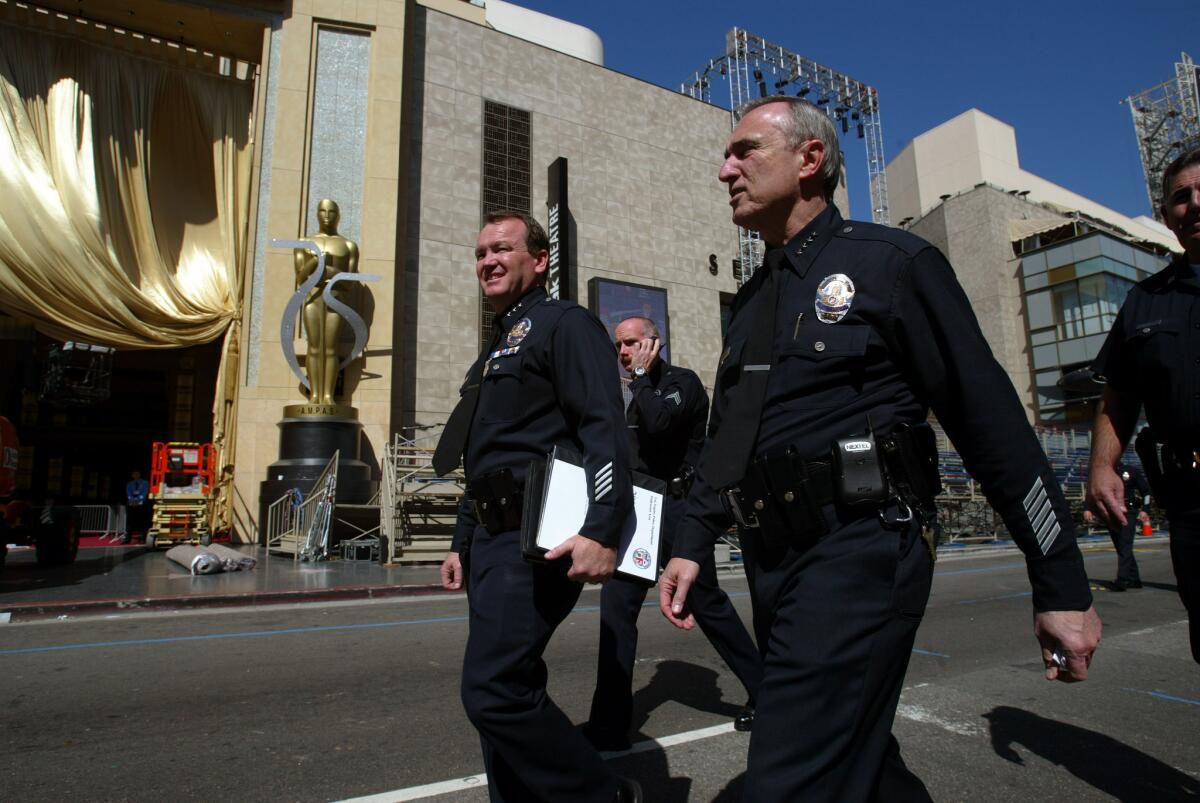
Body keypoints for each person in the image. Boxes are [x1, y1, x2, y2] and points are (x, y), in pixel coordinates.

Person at [657, 97, 1102, 801]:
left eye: (745, 151)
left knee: (788, 774)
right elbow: (730, 437)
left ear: (810, 159)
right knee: (861, 763)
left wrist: (1060, 581)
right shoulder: (750, 304)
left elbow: (990, 423)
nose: (724, 170)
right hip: (775, 559)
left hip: (862, 549)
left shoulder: (892, 264)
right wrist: (689, 538)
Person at [433, 211, 642, 802]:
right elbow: (485, 456)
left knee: (492, 690)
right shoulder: (499, 344)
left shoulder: (565, 324)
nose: (488, 260)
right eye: (480, 253)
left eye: (502, 248)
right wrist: (461, 541)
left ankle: (602, 795)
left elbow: (604, 430)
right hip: (491, 541)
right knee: (513, 685)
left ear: (540, 259)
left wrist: (603, 527)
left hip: (536, 538)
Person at [582, 316, 762, 752]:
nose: (623, 352)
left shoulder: (682, 383)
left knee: (707, 603)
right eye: (619, 346)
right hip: (638, 513)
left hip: (680, 511)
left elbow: (661, 423)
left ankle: (769, 694)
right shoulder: (629, 395)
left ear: (654, 344)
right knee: (616, 613)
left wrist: (642, 379)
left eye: (631, 343)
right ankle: (609, 725)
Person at [1089, 146, 1200, 663]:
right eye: (1182, 197)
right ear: (1167, 216)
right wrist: (1102, 465)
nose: (1194, 204)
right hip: (1192, 498)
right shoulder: (1146, 300)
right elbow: (1119, 394)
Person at [294, 199, 359, 405]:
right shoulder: (304, 242)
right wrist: (316, 260)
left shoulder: (348, 245)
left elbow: (349, 283)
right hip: (313, 299)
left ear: (338, 215)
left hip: (336, 300)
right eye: (322, 211)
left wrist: (328, 269)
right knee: (314, 347)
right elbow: (300, 278)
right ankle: (314, 395)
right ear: (317, 214)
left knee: (330, 348)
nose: (327, 216)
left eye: (331, 212)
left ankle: (328, 396)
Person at [125, 469, 150, 542]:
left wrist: (138, 500)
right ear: (132, 475)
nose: (136, 475)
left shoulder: (145, 483)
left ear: (139, 474)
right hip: (131, 503)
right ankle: (128, 538)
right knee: (129, 521)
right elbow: (129, 493)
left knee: (143, 521)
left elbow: (144, 492)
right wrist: (132, 500)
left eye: (137, 473)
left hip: (142, 503)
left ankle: (142, 538)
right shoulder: (129, 484)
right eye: (134, 474)